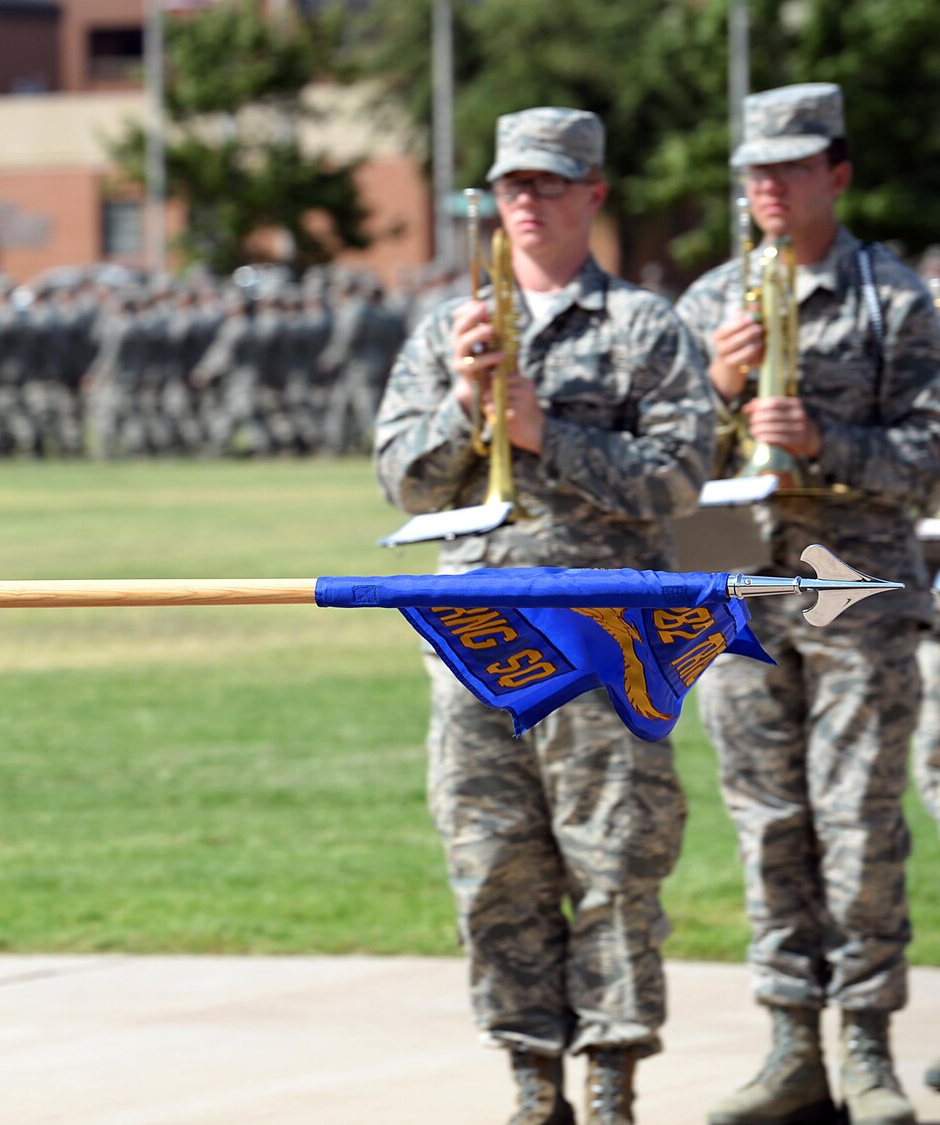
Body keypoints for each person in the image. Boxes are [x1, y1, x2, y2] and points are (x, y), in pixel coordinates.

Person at [373, 108, 713, 1125]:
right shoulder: (449, 328)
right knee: (490, 864)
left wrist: (543, 433)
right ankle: (530, 1079)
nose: (528, 202)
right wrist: (467, 409)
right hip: (480, 642)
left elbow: (680, 482)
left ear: (592, 195)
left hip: (604, 640)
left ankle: (609, 1079)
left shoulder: (643, 328)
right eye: (512, 186)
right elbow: (399, 478)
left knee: (613, 863)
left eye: (550, 184)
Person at [674, 83, 940, 1125]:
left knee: (857, 819)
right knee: (765, 820)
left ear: (834, 173)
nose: (766, 189)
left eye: (787, 168)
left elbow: (927, 461)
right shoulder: (704, 304)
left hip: (851, 584)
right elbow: (657, 470)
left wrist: (828, 442)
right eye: (752, 172)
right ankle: (789, 1044)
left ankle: (866, 1046)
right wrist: (709, 384)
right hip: (735, 577)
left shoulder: (890, 299)